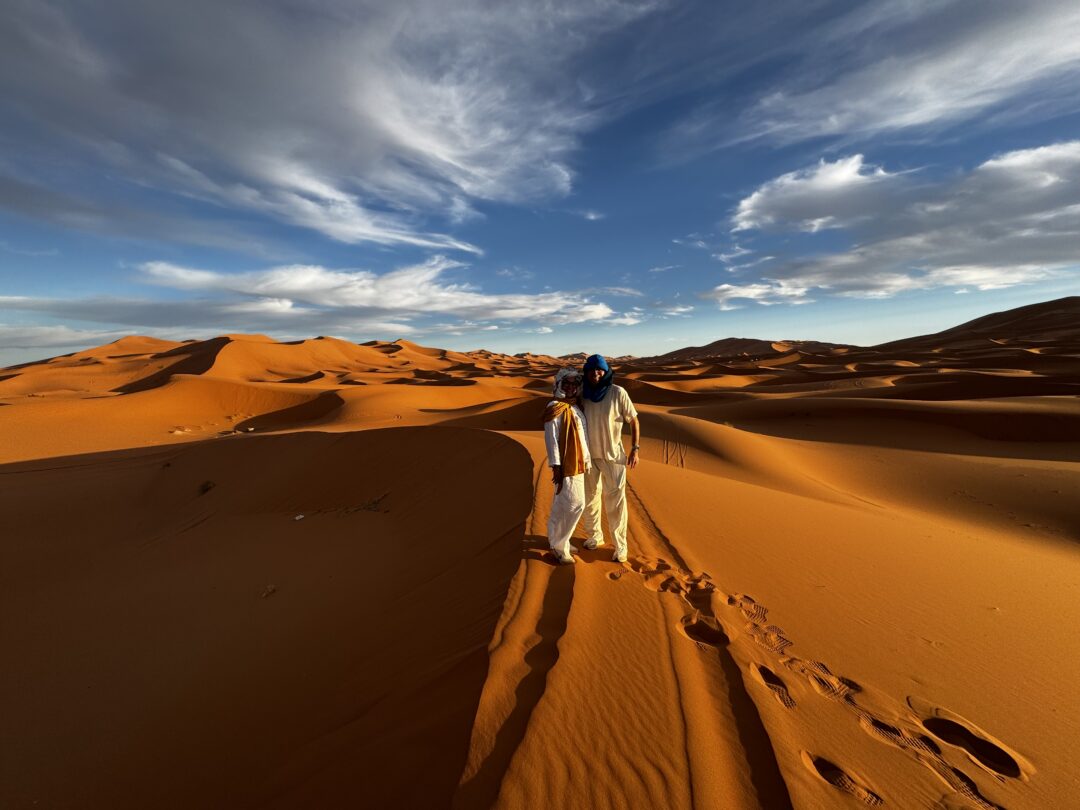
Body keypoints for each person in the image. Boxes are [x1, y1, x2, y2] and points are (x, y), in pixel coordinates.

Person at [580, 354, 639, 563]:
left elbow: (633, 420)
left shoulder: (617, 393)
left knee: (616, 504)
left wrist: (635, 448)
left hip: (613, 458)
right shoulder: (582, 393)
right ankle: (594, 537)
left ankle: (620, 547)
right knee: (590, 499)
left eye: (599, 369)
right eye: (591, 369)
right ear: (586, 372)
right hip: (589, 457)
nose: (595, 373)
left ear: (605, 371)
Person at [543, 367, 591, 564]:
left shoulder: (574, 406)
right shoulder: (555, 406)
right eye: (567, 383)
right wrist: (556, 466)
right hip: (566, 465)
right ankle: (560, 548)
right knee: (575, 504)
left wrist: (587, 459)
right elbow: (551, 438)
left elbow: (583, 436)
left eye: (574, 383)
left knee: (561, 505)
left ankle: (557, 540)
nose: (571, 387)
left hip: (579, 462)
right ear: (559, 384)